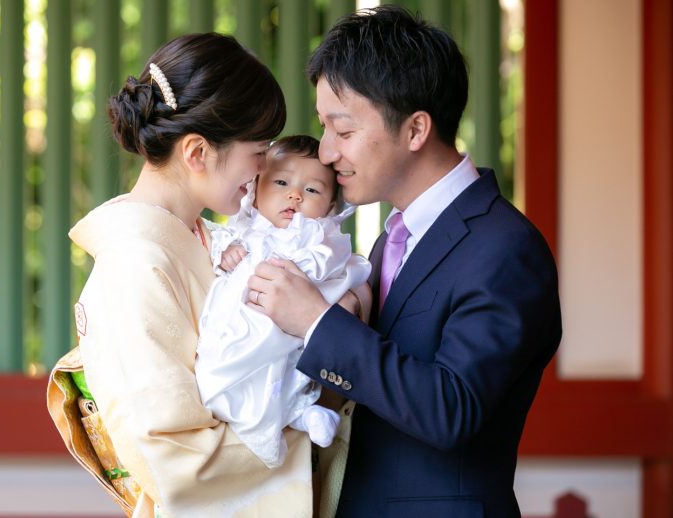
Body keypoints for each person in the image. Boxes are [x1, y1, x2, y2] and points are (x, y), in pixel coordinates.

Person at [246, 6, 562, 517]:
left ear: (416, 130)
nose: (325, 152)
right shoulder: (389, 239)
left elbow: (452, 409)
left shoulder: (505, 248)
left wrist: (316, 321)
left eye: (342, 131)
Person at [46, 33, 317, 518]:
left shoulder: (215, 241)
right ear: (197, 152)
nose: (262, 172)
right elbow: (170, 456)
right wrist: (306, 442)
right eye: (258, 152)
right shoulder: (134, 264)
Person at [195, 135, 371, 469]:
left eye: (313, 190)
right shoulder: (241, 230)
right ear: (255, 188)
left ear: (331, 204)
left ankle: (301, 412)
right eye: (280, 182)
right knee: (229, 371)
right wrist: (228, 255)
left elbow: (335, 275)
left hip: (293, 331)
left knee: (291, 371)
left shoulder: (321, 239)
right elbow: (220, 256)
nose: (295, 195)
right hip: (244, 327)